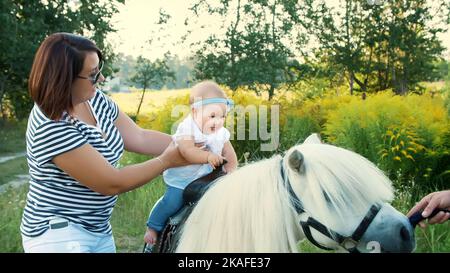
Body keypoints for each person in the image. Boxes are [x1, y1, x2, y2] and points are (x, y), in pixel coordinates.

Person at [20, 32, 189, 253]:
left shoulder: (94, 99)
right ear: (64, 78)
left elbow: (140, 137)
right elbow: (111, 183)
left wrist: (191, 145)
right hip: (58, 233)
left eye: (99, 69)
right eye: (92, 74)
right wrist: (166, 161)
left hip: (98, 229)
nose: (100, 79)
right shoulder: (51, 126)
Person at [143, 81, 238, 250]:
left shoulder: (221, 133)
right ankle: (154, 227)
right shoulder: (187, 128)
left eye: (223, 116)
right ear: (195, 112)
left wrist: (231, 170)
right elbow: (187, 151)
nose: (218, 121)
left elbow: (229, 153)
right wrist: (208, 156)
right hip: (183, 179)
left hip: (207, 177)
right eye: (213, 116)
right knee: (172, 202)